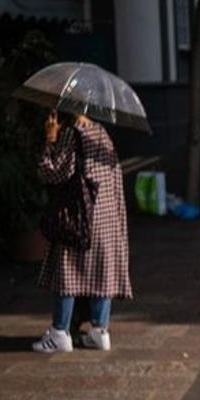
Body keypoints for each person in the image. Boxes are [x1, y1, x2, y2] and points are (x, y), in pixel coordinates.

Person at [32, 112, 132, 353]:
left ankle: (60, 332)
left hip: (80, 215)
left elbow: (54, 173)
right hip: (107, 214)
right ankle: (100, 331)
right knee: (101, 271)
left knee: (67, 269)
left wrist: (50, 139)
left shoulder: (71, 133)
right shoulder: (102, 133)